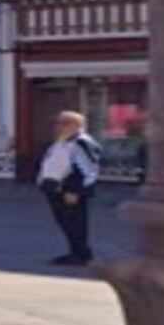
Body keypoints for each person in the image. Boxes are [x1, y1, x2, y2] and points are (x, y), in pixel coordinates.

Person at [37, 111, 101, 265]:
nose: (58, 127)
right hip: (55, 188)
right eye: (57, 123)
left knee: (75, 224)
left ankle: (82, 255)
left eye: (64, 123)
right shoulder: (61, 141)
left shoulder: (82, 143)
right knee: (66, 223)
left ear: (77, 125)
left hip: (70, 191)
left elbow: (88, 170)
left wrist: (75, 190)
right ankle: (75, 252)